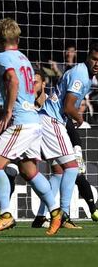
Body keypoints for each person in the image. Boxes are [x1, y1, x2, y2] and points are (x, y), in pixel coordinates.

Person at [0, 18, 62, 236]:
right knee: (29, 170)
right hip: (33, 120)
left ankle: (6, 214)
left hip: (21, 122)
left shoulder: (1, 57)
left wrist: (7, 112)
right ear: (17, 38)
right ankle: (56, 212)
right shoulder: (24, 59)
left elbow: (13, 81)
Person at [33, 43, 98, 228]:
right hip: (52, 121)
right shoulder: (81, 75)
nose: (96, 63)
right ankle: (64, 214)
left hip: (47, 119)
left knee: (59, 172)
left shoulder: (82, 73)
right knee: (72, 167)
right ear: (87, 58)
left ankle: (41, 215)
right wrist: (78, 117)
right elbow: (69, 106)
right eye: (94, 58)